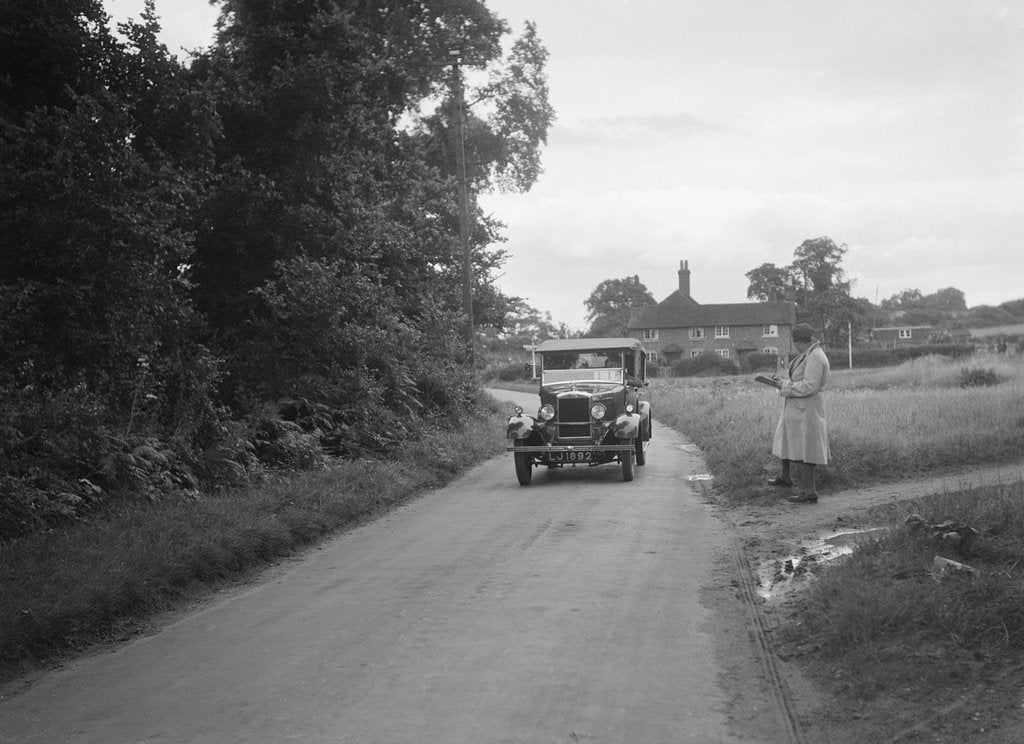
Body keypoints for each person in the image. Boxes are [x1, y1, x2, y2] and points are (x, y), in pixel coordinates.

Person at [767, 323, 830, 503]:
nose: (795, 347)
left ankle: (809, 491)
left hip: (808, 409)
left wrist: (784, 385)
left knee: (807, 447)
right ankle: (785, 477)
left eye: (795, 343)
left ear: (799, 341)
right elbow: (800, 379)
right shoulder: (807, 354)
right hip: (797, 406)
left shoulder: (815, 357)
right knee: (786, 440)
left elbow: (810, 386)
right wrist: (782, 382)